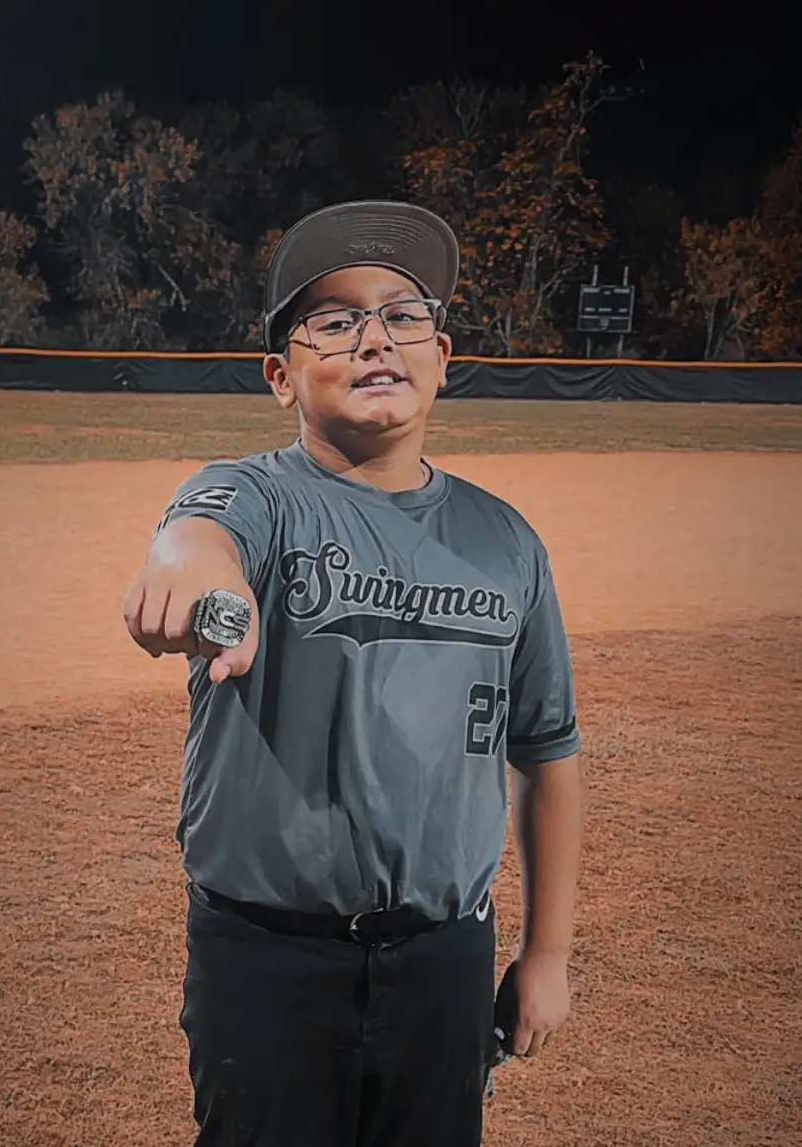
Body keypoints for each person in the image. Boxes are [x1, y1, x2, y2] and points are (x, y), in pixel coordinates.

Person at [122, 200, 583, 1147]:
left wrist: (546, 953)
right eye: (332, 322)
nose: (374, 339)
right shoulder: (258, 496)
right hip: (266, 959)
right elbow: (199, 532)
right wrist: (194, 567)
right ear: (279, 377)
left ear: (439, 356)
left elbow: (545, 752)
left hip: (445, 960)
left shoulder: (506, 542)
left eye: (402, 316)